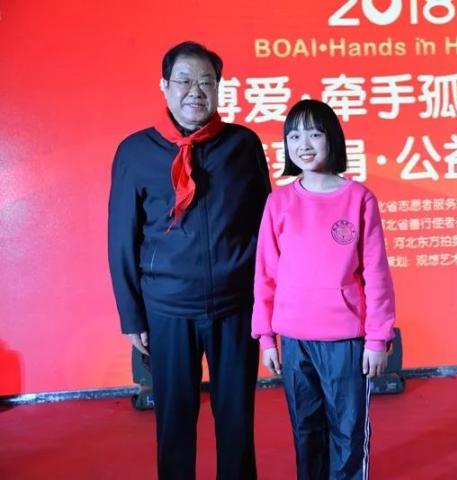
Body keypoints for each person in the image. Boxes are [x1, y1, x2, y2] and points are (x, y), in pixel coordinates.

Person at [108, 40, 270, 479]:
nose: (195, 91)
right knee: (174, 421)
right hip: (167, 309)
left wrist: (267, 303)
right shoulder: (136, 151)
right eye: (184, 80)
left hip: (235, 306)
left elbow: (266, 227)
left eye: (206, 82)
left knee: (236, 419)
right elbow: (121, 237)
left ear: (218, 88)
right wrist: (131, 314)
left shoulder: (242, 145)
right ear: (164, 86)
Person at [251, 99, 396, 480]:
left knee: (347, 432)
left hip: (345, 341)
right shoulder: (278, 202)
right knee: (306, 430)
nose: (304, 144)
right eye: (294, 136)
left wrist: (377, 338)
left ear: (332, 138)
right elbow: (265, 273)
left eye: (314, 134)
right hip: (294, 340)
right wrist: (266, 337)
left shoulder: (359, 199)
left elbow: (376, 274)